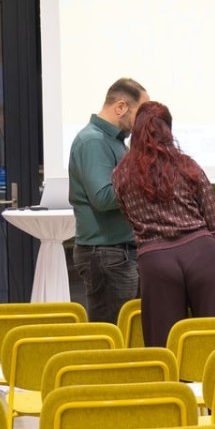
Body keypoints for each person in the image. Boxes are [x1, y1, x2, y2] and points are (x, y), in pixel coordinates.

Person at [111, 101, 215, 348]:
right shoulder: (187, 165)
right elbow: (214, 221)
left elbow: (130, 218)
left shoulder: (120, 174)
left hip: (155, 258)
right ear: (168, 130)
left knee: (166, 345)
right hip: (201, 251)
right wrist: (206, 248)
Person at [67, 77, 147, 323]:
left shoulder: (113, 142)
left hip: (117, 253)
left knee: (126, 332)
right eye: (140, 113)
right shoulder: (94, 141)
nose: (143, 122)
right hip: (107, 254)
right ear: (121, 107)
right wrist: (145, 184)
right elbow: (102, 197)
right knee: (113, 335)